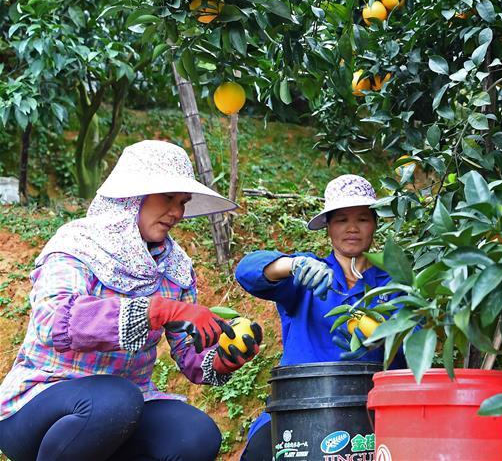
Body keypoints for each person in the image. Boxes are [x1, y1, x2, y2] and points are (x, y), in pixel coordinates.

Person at [0, 140, 264, 461]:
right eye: (168, 198)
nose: (178, 212)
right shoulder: (78, 244)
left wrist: (224, 356)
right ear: (132, 197)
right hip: (41, 402)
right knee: (114, 400)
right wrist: (157, 310)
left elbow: (190, 357)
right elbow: (52, 322)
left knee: (195, 435)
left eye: (183, 202)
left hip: (126, 407)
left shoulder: (176, 267)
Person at [235, 174, 405, 461]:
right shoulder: (307, 276)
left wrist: (384, 339)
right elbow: (247, 272)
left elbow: (411, 339)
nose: (352, 228)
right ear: (328, 227)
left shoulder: (394, 284)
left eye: (362, 218)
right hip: (299, 405)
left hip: (372, 409)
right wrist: (291, 264)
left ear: (375, 223)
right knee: (262, 450)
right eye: (341, 220)